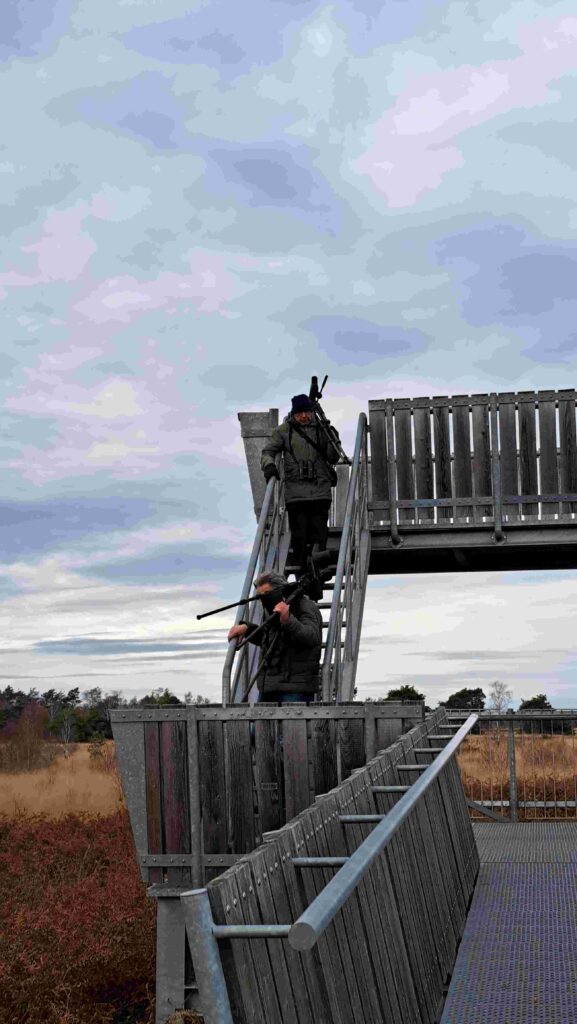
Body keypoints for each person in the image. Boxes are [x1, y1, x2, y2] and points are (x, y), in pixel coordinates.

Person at [261, 394, 340, 576]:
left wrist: (330, 434)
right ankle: (306, 574)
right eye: (300, 413)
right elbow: (268, 451)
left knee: (320, 533)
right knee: (300, 535)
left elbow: (333, 457)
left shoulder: (323, 429)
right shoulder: (284, 431)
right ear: (293, 414)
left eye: (307, 412)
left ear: (312, 412)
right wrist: (269, 466)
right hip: (296, 494)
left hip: (320, 490)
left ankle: (317, 571)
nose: (304, 416)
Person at [227, 571, 322, 703]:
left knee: (293, 724)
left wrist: (287, 619)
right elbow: (272, 640)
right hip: (269, 686)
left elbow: (312, 637)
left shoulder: (305, 606)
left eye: (266, 594)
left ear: (280, 590)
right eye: (260, 596)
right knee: (261, 724)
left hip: (295, 688)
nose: (264, 599)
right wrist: (248, 629)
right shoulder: (272, 610)